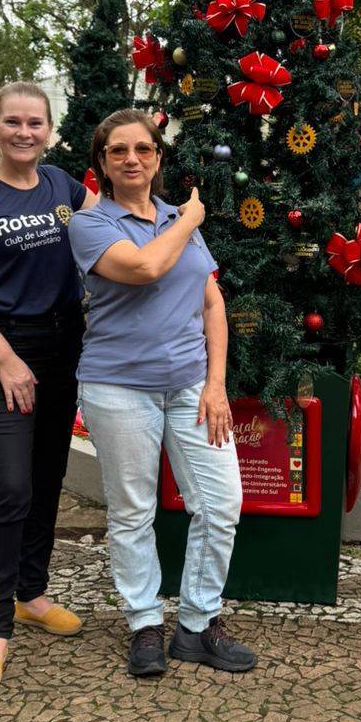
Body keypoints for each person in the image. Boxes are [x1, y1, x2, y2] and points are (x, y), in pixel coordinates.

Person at [68, 109, 255, 679]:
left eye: (144, 150)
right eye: (118, 151)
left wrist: (217, 383)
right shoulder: (91, 224)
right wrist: (192, 216)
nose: (132, 159)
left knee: (221, 504)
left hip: (191, 385)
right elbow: (146, 267)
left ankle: (197, 625)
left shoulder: (178, 219)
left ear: (157, 158)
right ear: (101, 162)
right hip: (118, 387)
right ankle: (145, 623)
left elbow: (211, 303)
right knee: (132, 511)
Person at [0, 81, 96, 692]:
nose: (24, 133)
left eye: (35, 123)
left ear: (50, 130)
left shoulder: (64, 186)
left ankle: (31, 593)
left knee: (49, 477)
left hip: (65, 349)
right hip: (1, 350)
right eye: (13, 122)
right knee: (9, 484)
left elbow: (111, 231)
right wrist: (6, 361)